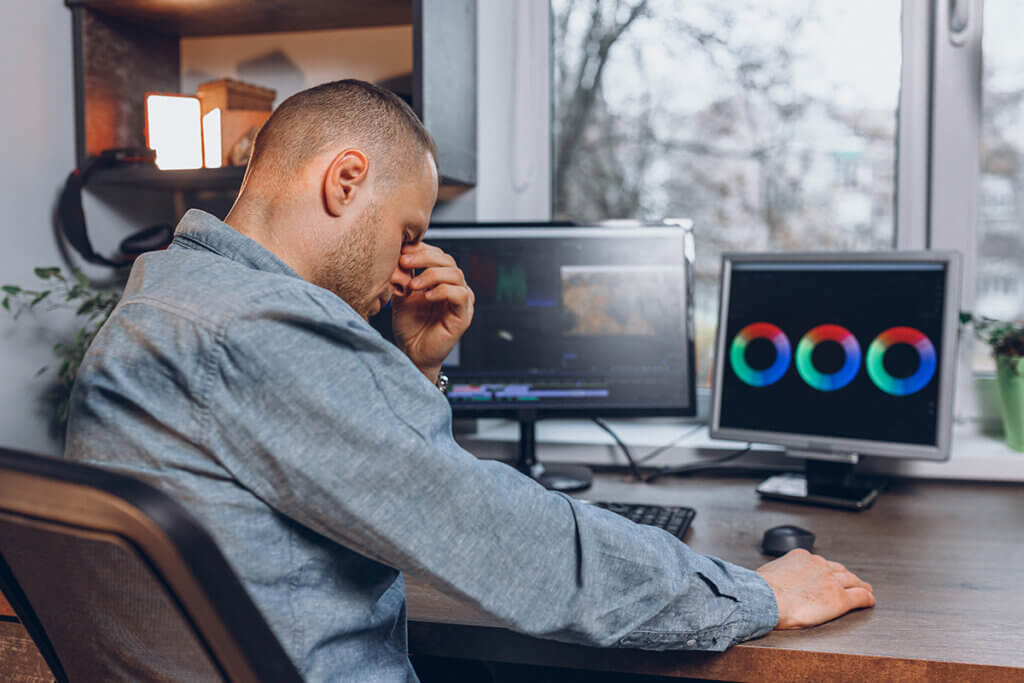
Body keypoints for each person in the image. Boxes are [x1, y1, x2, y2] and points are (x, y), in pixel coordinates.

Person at [65, 79, 874, 681]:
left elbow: (355, 487)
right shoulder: (255, 327)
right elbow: (516, 549)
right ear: (345, 181)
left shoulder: (169, 297)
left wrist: (414, 368)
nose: (408, 262)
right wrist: (752, 594)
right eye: (407, 228)